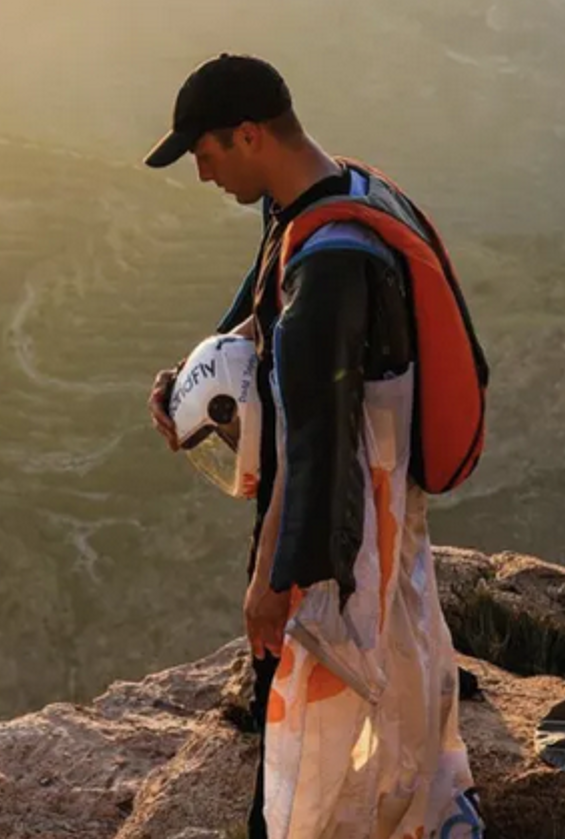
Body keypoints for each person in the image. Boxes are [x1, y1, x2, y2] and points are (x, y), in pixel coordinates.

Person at [144, 54, 484, 839]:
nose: (201, 175)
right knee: (389, 683)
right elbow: (262, 322)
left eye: (204, 154)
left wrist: (273, 582)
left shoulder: (329, 263)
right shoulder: (340, 199)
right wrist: (190, 382)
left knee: (311, 727)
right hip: (380, 510)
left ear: (250, 134)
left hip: (348, 532)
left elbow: (313, 442)